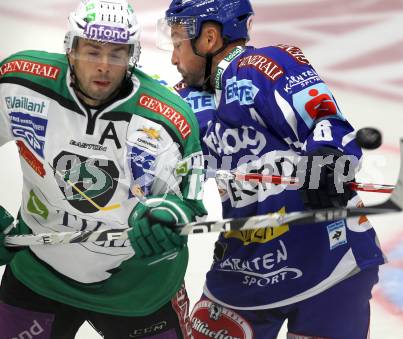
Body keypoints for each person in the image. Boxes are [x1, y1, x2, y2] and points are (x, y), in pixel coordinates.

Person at [157, 1, 386, 338]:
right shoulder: (182, 102)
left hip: (330, 263)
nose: (174, 59)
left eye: (178, 43)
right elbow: (157, 169)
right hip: (243, 267)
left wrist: (329, 158)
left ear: (208, 38)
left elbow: (325, 121)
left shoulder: (262, 66)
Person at [0, 0, 206, 338]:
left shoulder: (168, 118)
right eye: (92, 51)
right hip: (40, 273)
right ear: (70, 48)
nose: (104, 67)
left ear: (132, 57)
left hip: (139, 289)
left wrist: (169, 218)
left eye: (117, 54)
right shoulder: (20, 83)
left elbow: (191, 199)